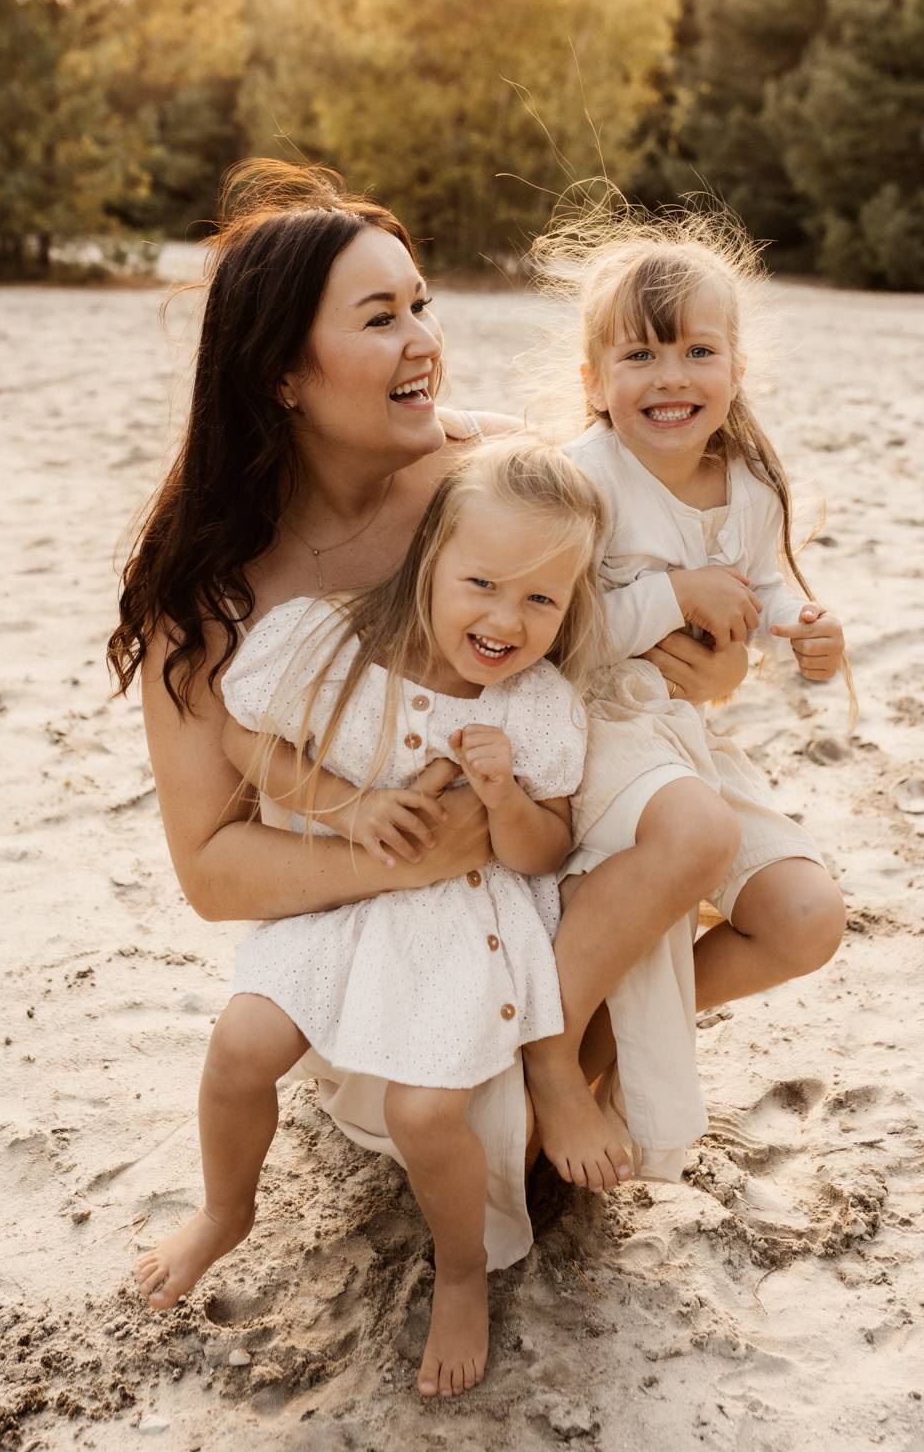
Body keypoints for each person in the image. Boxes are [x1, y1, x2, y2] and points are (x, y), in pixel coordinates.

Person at [107, 160, 747, 1392]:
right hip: (358, 908)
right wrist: (397, 843)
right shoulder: (211, 592)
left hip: (526, 874)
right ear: (281, 374)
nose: (424, 341)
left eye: (422, 305)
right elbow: (209, 869)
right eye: (380, 317)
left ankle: (571, 1069)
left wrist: (700, 664)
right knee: (398, 1100)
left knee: (652, 815)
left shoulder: (499, 481)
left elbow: (676, 674)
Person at [133, 439, 607, 1398]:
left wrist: (503, 794)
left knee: (423, 1109)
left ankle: (463, 1271)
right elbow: (244, 734)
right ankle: (226, 1209)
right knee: (237, 1046)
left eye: (540, 600)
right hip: (344, 902)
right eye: (481, 582)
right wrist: (348, 807)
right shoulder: (329, 641)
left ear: (570, 605)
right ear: (430, 556)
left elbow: (544, 853)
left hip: (460, 918)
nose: (504, 618)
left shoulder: (535, 707)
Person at [519, 205, 850, 1193]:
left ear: (736, 368)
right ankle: (554, 1055)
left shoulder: (747, 482)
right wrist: (671, 596)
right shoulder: (582, 479)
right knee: (692, 823)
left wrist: (809, 633)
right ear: (592, 380)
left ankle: (624, 1034)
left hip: (685, 732)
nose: (669, 377)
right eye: (639, 355)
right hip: (594, 730)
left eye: (696, 350)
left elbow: (773, 585)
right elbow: (548, 629)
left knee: (806, 915)